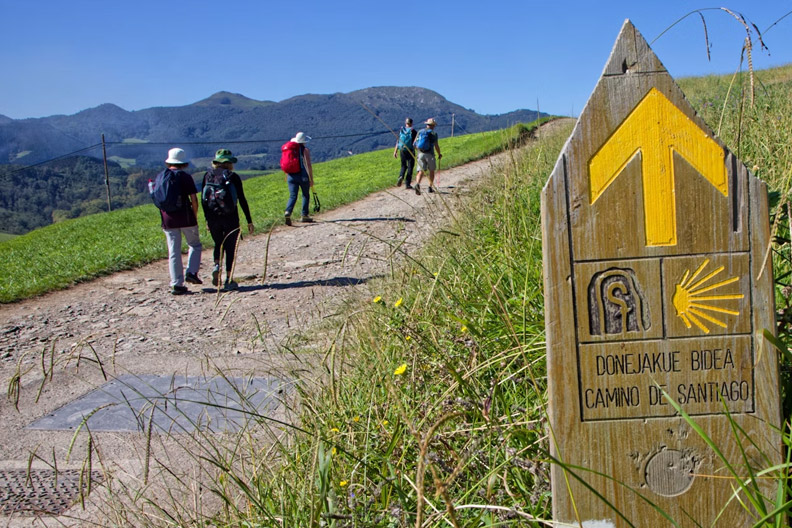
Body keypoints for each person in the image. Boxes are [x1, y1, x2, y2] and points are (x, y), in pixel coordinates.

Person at [201, 148, 254, 291]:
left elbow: (204, 200)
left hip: (213, 217)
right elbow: (242, 199)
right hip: (231, 217)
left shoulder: (208, 176)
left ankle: (217, 266)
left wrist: (207, 219)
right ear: (230, 163)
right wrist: (249, 220)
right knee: (230, 247)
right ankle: (229, 279)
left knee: (218, 243)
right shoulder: (233, 177)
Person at [156, 148, 202, 295]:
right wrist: (195, 216)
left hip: (168, 219)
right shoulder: (185, 177)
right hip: (186, 216)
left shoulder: (161, 177)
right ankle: (191, 272)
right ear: (183, 163)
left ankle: (176, 283)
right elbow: (194, 199)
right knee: (194, 244)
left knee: (173, 251)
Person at [283, 132, 315, 225]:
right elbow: (308, 164)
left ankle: (288, 212)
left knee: (293, 195)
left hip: (291, 176)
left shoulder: (291, 150)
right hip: (302, 176)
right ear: (304, 141)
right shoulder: (305, 150)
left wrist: (287, 175)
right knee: (305, 194)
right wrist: (311, 179)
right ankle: (304, 215)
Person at [413, 118, 442, 195]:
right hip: (430, 154)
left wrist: (418, 152)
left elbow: (414, 143)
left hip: (420, 154)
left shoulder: (420, 132)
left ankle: (418, 184)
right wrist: (439, 154)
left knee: (420, 171)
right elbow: (436, 145)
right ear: (433, 126)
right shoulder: (433, 134)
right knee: (431, 171)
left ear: (427, 124)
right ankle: (430, 187)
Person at [393, 117, 417, 189]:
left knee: (403, 165)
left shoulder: (402, 131)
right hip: (410, 150)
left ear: (405, 123)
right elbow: (415, 143)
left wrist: (395, 151)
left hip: (402, 149)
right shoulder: (413, 131)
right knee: (410, 166)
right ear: (411, 123)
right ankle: (407, 184)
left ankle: (401, 176)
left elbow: (398, 141)